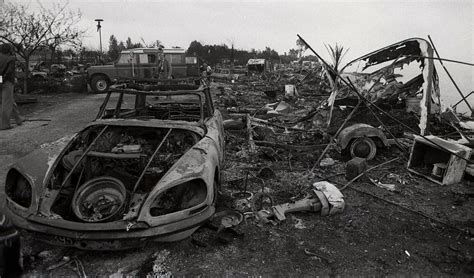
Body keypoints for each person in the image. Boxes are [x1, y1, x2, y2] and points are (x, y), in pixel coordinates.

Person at [0, 43, 23, 130]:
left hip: (0, 80)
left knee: (9, 100)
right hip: (7, 81)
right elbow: (9, 72)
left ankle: (18, 118)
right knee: (6, 103)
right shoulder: (11, 59)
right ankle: (4, 124)